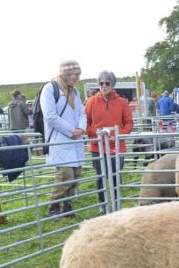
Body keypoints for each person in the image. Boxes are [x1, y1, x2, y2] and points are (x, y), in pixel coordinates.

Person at [43, 60, 87, 218]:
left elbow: (82, 112)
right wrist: (71, 131)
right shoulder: (50, 89)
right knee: (65, 175)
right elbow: (50, 116)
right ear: (66, 74)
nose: (78, 78)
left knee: (75, 175)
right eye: (76, 74)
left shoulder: (74, 92)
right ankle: (53, 207)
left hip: (75, 140)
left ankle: (67, 206)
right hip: (60, 140)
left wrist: (81, 129)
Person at [85, 70, 133, 213]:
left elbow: (129, 123)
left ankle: (117, 202)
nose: (104, 86)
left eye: (107, 83)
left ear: (113, 85)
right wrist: (96, 135)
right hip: (97, 147)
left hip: (117, 146)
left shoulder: (122, 102)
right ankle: (103, 204)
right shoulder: (92, 101)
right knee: (100, 177)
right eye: (101, 83)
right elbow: (86, 122)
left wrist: (118, 135)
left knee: (116, 176)